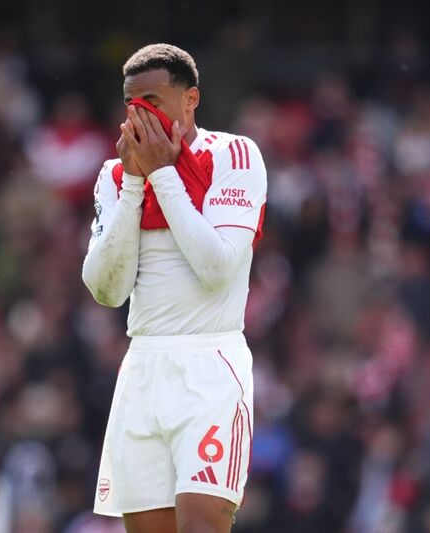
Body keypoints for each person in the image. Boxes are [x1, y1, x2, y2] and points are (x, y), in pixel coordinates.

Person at [82, 43, 267, 533]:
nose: (140, 113)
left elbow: (218, 267)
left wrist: (163, 173)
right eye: (131, 102)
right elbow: (107, 290)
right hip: (143, 367)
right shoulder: (115, 175)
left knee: (202, 527)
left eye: (153, 100)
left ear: (191, 100)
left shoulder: (235, 155)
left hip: (210, 366)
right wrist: (134, 186)